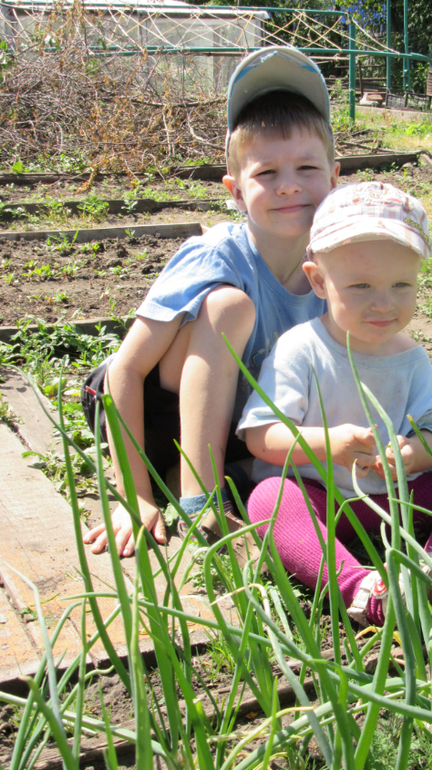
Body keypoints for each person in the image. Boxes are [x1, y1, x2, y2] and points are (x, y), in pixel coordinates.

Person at [81, 46, 339, 557]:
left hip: (236, 423)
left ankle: (199, 472)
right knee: (229, 308)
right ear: (236, 191)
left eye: (307, 166)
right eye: (266, 173)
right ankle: (199, 499)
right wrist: (134, 498)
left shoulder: (334, 267)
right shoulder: (218, 253)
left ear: (334, 177)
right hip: (145, 408)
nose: (289, 186)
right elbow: (125, 371)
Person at [237, 182, 432, 627]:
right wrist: (329, 444)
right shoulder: (301, 349)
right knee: (269, 498)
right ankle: (361, 589)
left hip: (396, 497)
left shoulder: (411, 357)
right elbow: (261, 436)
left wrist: (415, 451)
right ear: (319, 281)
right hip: (321, 497)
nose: (384, 303)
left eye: (401, 285)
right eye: (361, 286)